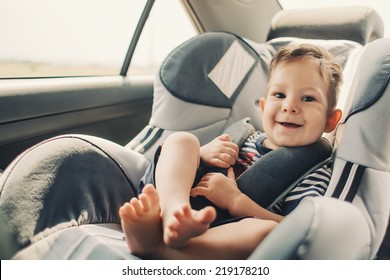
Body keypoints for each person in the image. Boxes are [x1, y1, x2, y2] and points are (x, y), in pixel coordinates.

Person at [119, 44, 343, 259]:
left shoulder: (313, 174)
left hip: (222, 231)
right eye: (279, 95)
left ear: (330, 120)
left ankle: (163, 250)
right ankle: (173, 214)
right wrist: (203, 154)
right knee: (182, 140)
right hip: (172, 196)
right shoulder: (245, 136)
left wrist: (236, 201)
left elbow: (295, 230)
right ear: (263, 107)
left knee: (267, 232)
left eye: (308, 98)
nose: (289, 106)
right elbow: (187, 165)